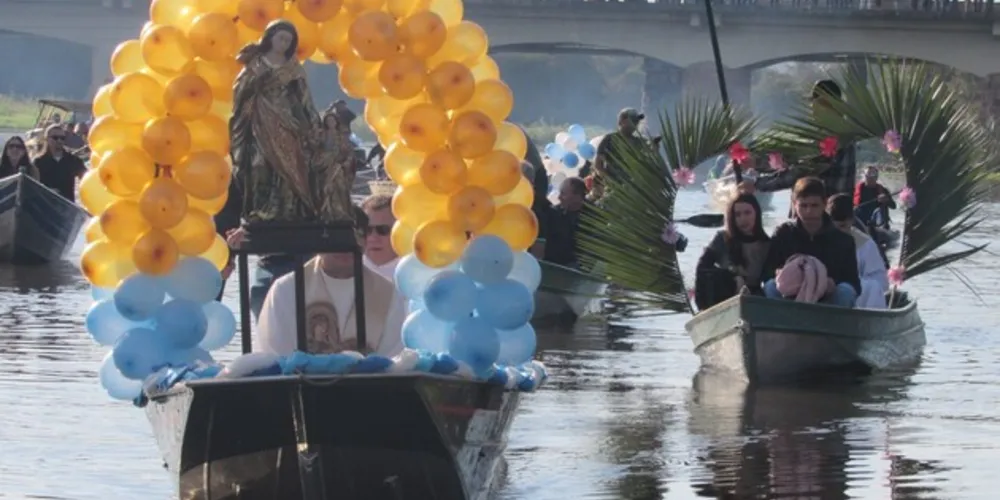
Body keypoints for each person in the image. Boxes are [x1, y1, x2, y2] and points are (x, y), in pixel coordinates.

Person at [229, 20, 352, 223]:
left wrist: (314, 123)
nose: (284, 43)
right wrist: (257, 81)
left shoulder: (293, 67)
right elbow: (240, 90)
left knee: (290, 165)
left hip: (287, 122)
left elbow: (304, 98)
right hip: (259, 120)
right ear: (270, 38)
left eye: (289, 40)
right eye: (281, 38)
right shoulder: (255, 62)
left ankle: (286, 210)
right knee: (259, 165)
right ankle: (260, 209)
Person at [256, 209, 406, 356]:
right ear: (316, 239)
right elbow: (274, 352)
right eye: (335, 237)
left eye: (355, 236)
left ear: (366, 240)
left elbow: (393, 356)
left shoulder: (389, 294)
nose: (344, 246)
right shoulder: (286, 290)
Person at [740, 80, 858, 216]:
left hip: (827, 219)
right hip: (813, 217)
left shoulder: (836, 136)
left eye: (817, 103)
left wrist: (757, 184)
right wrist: (757, 163)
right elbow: (794, 160)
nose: (812, 108)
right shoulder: (822, 134)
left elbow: (800, 171)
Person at [761, 177, 860, 307]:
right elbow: (767, 274)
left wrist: (831, 284)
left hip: (828, 299)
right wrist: (781, 275)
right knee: (770, 286)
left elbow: (854, 284)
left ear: (824, 204)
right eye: (803, 205)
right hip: (790, 297)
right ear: (794, 205)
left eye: (814, 205)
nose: (808, 211)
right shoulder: (783, 233)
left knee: (845, 291)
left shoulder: (843, 240)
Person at [694, 193, 771, 309]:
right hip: (724, 297)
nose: (743, 219)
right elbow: (702, 268)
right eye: (737, 215)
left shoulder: (766, 244)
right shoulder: (722, 239)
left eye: (747, 213)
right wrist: (733, 279)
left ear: (756, 213)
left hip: (754, 297)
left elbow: (769, 279)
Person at [827, 194, 888, 309]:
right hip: (825, 293)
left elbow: (881, 282)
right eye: (834, 227)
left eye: (843, 226)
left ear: (851, 220)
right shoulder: (819, 238)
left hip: (857, 298)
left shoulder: (865, 244)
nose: (838, 232)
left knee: (871, 287)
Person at [543, 177, 590, 268]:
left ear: (577, 196)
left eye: (563, 194)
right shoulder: (553, 214)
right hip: (553, 266)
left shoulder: (592, 217)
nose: (559, 197)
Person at [592, 108, 647, 185]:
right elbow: (598, 165)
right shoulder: (610, 139)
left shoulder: (640, 142)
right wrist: (613, 182)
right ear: (622, 121)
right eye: (633, 120)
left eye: (637, 121)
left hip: (635, 187)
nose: (635, 123)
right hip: (615, 189)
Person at [33, 124, 87, 202]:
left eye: (62, 138)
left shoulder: (73, 160)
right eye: (55, 138)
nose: (59, 141)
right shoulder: (38, 162)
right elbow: (32, 186)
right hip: (45, 206)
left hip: (67, 208)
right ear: (47, 139)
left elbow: (87, 179)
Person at [360, 193, 398, 281]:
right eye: (367, 230)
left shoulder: (418, 272)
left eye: (383, 230)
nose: (372, 238)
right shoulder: (347, 271)